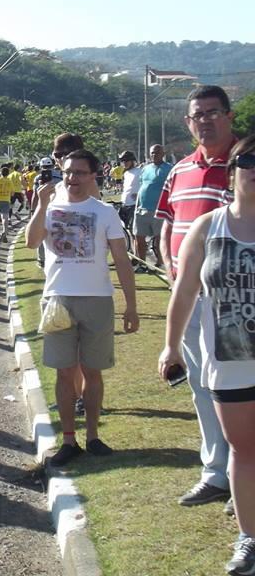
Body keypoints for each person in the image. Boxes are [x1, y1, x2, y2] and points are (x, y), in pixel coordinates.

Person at [158, 135, 255, 576]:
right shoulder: (208, 227)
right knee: (243, 451)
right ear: (233, 169)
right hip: (229, 362)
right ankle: (249, 538)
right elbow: (184, 291)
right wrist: (171, 344)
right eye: (249, 160)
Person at [26, 149, 138, 467]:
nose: (73, 178)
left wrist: (131, 306)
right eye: (68, 172)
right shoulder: (50, 207)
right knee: (64, 373)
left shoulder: (104, 212)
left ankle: (93, 436)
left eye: (80, 173)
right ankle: (68, 440)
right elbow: (32, 242)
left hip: (97, 300)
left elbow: (121, 260)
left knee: (93, 371)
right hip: (58, 299)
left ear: (94, 175)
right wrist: (41, 203)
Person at [155, 84, 236, 508]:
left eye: (212, 112)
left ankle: (243, 475)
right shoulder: (180, 169)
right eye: (196, 114)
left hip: (233, 298)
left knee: (239, 388)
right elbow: (168, 220)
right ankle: (216, 472)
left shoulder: (244, 165)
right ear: (188, 123)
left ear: (228, 115)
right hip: (188, 295)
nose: (204, 119)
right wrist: (171, 266)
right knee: (203, 385)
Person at [133, 144, 171, 271]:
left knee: (159, 238)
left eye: (157, 152)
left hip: (159, 210)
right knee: (139, 237)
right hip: (142, 209)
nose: (154, 155)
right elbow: (141, 186)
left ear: (163, 154)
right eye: (152, 153)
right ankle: (141, 263)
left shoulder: (169, 169)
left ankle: (160, 263)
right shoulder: (145, 169)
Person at [117, 150, 141, 236]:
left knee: (134, 230)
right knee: (127, 230)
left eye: (127, 160)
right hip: (125, 204)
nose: (124, 163)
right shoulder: (126, 173)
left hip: (134, 205)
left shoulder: (139, 171)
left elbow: (145, 185)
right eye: (123, 161)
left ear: (132, 160)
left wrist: (139, 194)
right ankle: (132, 248)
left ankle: (137, 249)